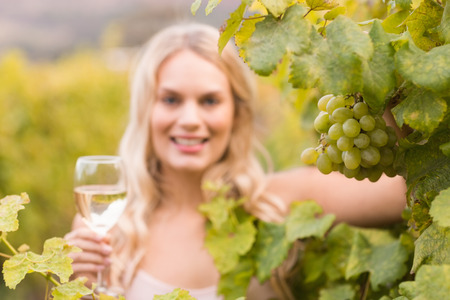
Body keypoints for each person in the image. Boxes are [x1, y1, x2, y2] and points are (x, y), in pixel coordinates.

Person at [64, 23, 407, 300]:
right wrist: (72, 286)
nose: (190, 119)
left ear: (236, 114)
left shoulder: (276, 202)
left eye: (210, 101)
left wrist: (376, 75)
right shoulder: (111, 234)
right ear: (146, 110)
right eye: (170, 99)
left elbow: (403, 190)